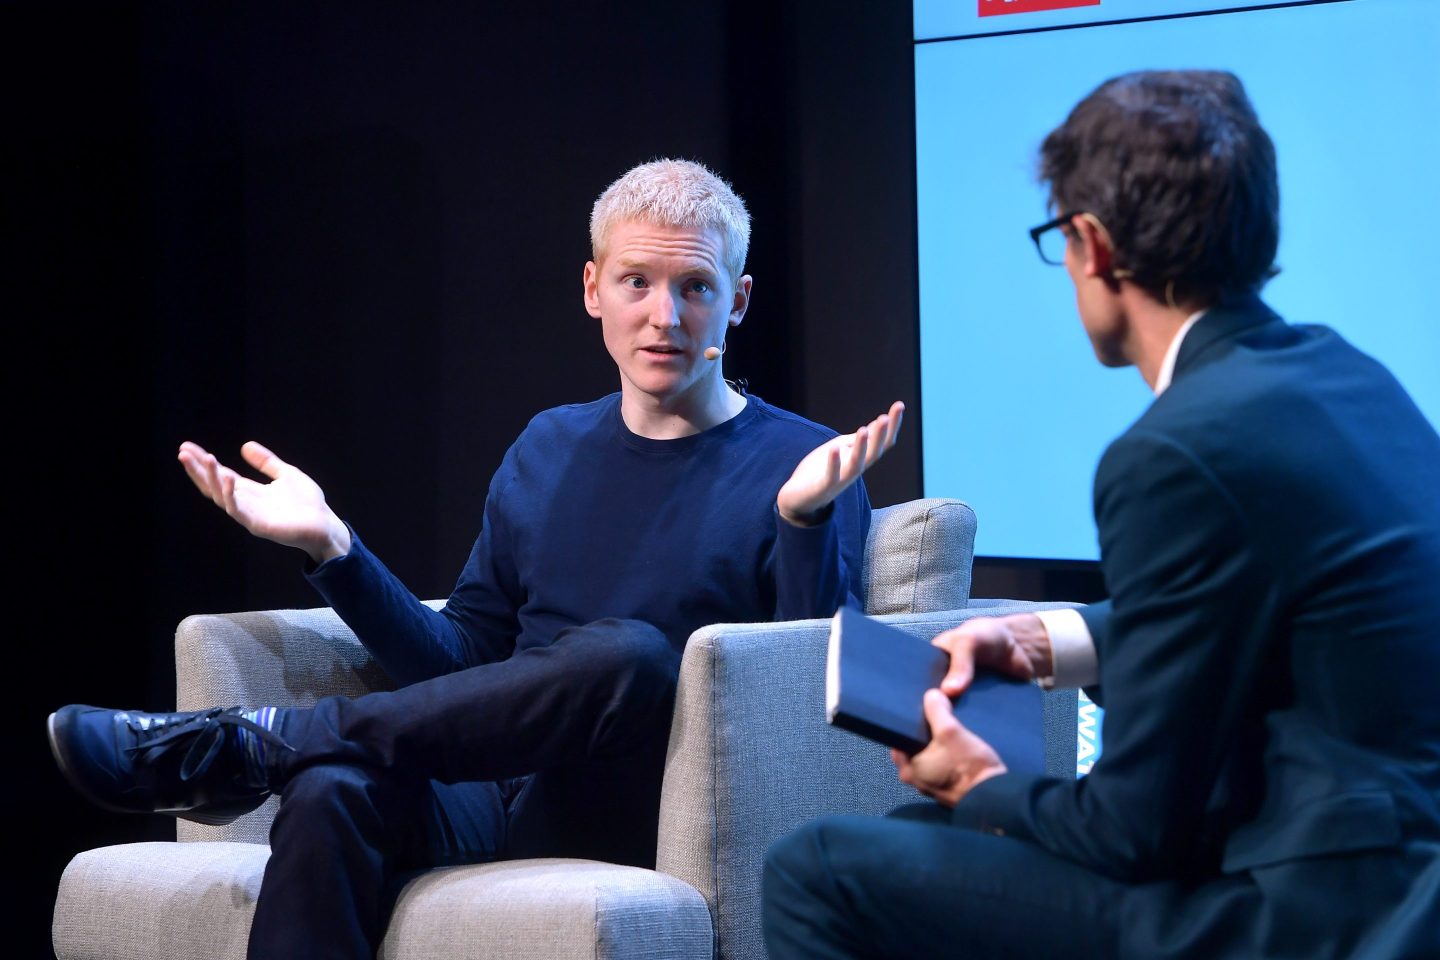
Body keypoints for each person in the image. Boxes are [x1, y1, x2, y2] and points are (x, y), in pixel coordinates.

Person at [47, 157, 905, 960]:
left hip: (642, 796)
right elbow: (462, 660)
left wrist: (802, 521)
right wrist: (332, 548)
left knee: (635, 656)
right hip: (494, 787)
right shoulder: (548, 445)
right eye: (636, 283)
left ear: (739, 301)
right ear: (592, 290)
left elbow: (815, 696)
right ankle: (280, 754)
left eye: (696, 287)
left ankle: (258, 745)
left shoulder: (808, 466)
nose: (665, 316)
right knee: (330, 793)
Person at [761, 70, 1440, 959]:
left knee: (818, 868)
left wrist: (981, 782)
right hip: (1398, 880)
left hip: (1304, 914)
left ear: (1092, 245)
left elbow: (1134, 831)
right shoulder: (1352, 377)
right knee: (909, 835)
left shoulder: (1172, 451)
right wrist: (1049, 640)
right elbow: (1256, 615)